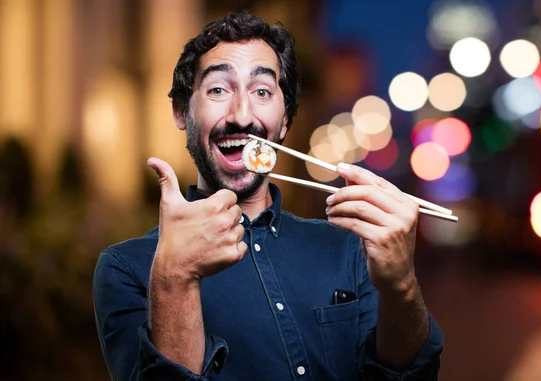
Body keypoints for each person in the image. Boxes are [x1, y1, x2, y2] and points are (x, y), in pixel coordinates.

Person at [93, 12, 443, 381]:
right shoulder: (127, 268)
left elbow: (409, 375)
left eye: (262, 92)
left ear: (285, 121)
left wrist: (401, 284)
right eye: (217, 90)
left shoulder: (348, 249)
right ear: (182, 111)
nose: (242, 114)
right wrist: (174, 276)